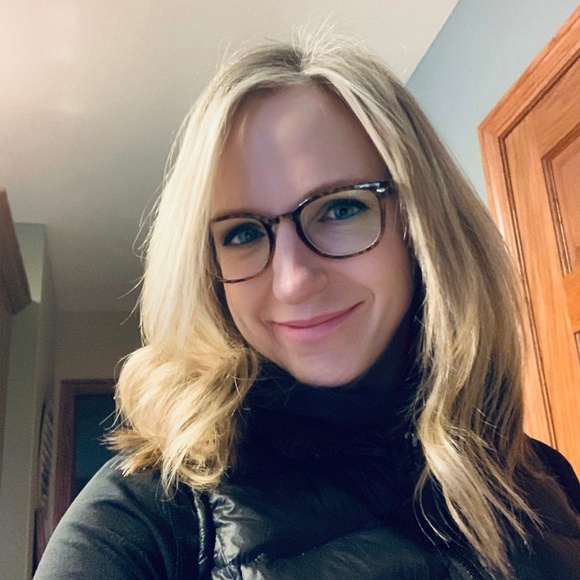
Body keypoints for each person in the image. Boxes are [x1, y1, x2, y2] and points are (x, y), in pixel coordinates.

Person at [35, 34, 580, 579]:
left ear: (423, 223)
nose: (293, 281)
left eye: (340, 208)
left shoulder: (545, 479)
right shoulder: (140, 518)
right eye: (243, 232)